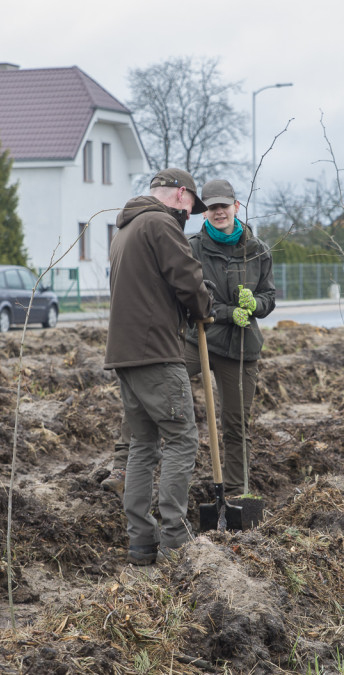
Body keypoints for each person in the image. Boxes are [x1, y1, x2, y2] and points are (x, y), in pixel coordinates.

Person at [104, 168, 213, 566]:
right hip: (157, 354)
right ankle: (174, 540)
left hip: (125, 356)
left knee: (142, 446)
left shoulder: (125, 231)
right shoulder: (162, 225)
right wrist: (204, 307)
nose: (191, 216)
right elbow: (186, 278)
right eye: (191, 207)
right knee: (183, 438)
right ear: (181, 196)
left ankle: (141, 542)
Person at [183, 179, 276, 498]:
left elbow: (269, 296)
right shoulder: (192, 248)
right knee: (161, 381)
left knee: (237, 425)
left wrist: (256, 305)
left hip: (240, 346)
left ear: (237, 207)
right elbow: (188, 295)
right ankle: (133, 465)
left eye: (224, 205)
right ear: (204, 213)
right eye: (212, 207)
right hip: (200, 339)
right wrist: (225, 312)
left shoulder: (257, 250)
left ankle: (236, 492)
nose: (219, 212)